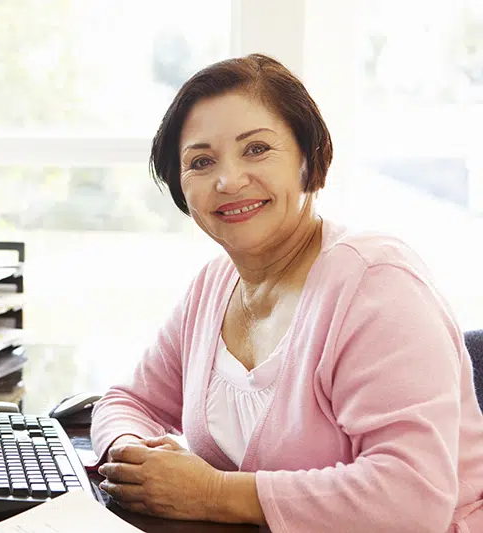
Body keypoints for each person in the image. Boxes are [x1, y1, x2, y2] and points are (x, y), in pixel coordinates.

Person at [90, 53, 483, 533]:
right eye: (200, 161)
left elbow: (413, 497)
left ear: (309, 158)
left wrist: (212, 493)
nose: (228, 180)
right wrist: (132, 457)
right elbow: (129, 402)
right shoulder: (214, 285)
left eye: (256, 149)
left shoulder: (377, 284)